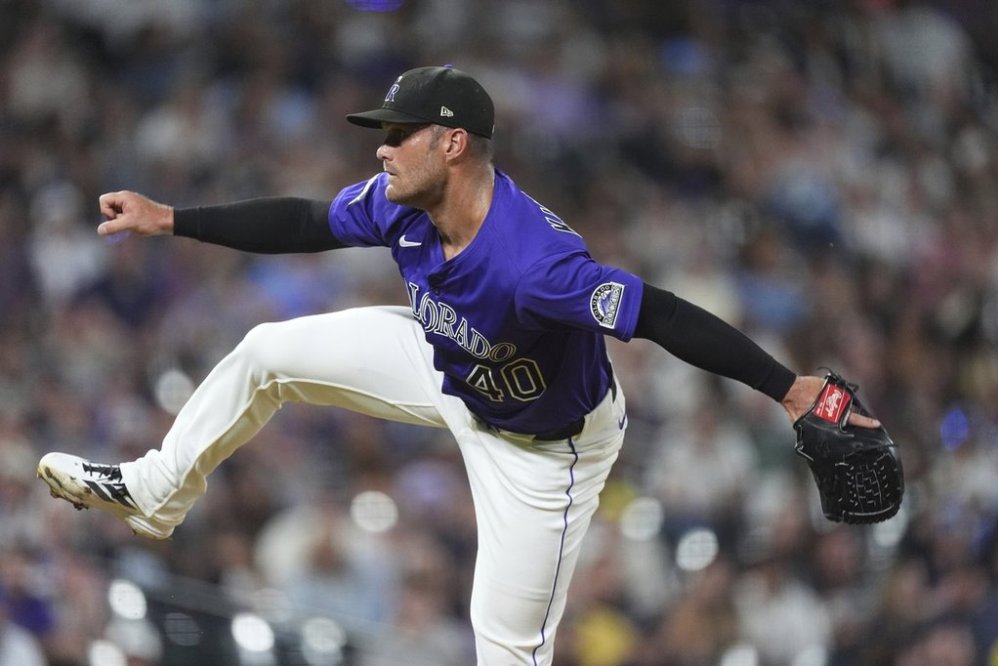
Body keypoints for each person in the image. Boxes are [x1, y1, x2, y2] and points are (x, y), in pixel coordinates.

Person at [37, 65, 879, 665]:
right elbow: (302, 223)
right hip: (447, 365)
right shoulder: (403, 206)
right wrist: (173, 218)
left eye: (396, 134)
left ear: (453, 143)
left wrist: (788, 386)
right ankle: (155, 491)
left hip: (545, 450)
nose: (380, 149)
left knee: (503, 649)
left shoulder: (534, 262)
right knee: (266, 352)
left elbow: (655, 313)